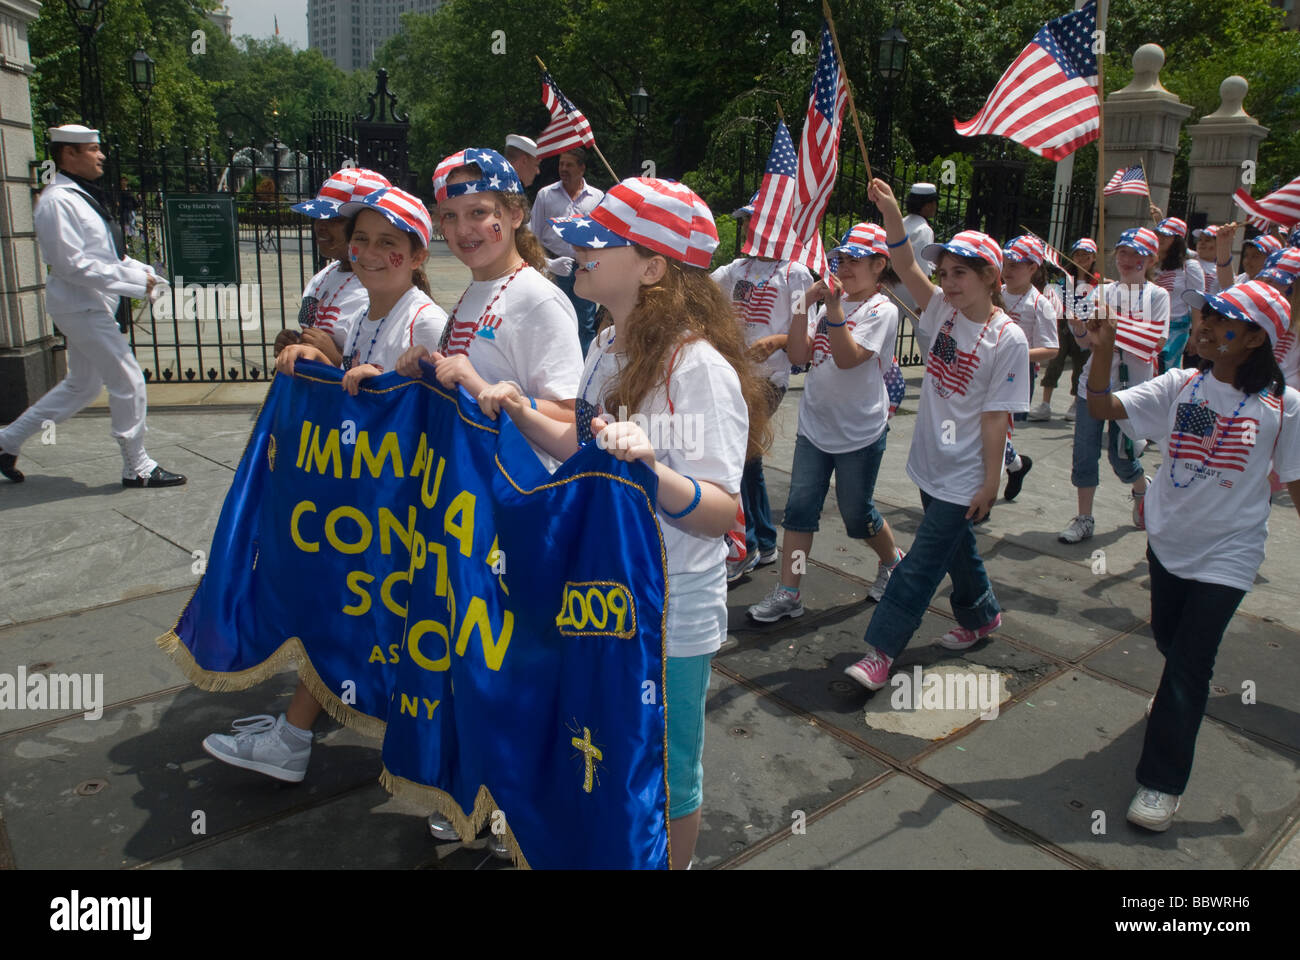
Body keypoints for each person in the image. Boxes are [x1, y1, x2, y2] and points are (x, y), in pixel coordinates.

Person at [477, 177, 763, 868]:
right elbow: (585, 451)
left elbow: (723, 511)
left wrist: (652, 468)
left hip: (671, 609)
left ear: (654, 268)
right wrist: (519, 411)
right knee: (602, 737)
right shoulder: (606, 346)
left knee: (667, 767)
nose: (577, 249)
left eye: (597, 242)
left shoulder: (699, 369)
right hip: (606, 592)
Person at [202, 185, 449, 786]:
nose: (366, 252)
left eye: (386, 243)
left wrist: (371, 379)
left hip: (396, 510)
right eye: (360, 239)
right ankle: (297, 734)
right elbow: (356, 390)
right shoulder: (369, 312)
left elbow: (421, 410)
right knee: (337, 611)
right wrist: (319, 361)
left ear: (417, 254)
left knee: (369, 623)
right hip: (361, 501)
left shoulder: (426, 320)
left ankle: (425, 760)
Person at [1083, 280, 1300, 832]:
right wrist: (1104, 352)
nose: (1203, 326)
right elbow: (1103, 405)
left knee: (1189, 664)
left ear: (1254, 338)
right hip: (1168, 541)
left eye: (1221, 320)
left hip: (1230, 552)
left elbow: (1296, 481)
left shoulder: (1285, 406)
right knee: (1168, 639)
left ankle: (1160, 784)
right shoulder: (1181, 385)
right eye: (1205, 314)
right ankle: (1176, 695)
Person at [843, 179, 1029, 692]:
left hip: (966, 470)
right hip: (929, 460)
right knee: (956, 546)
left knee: (923, 560)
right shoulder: (942, 310)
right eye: (944, 272)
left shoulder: (1007, 339)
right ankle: (982, 614)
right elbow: (904, 265)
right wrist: (893, 214)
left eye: (960, 273)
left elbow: (996, 419)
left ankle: (881, 652)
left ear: (990, 277)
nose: (947, 282)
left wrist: (990, 483)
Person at [0, 124, 182, 487]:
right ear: (69, 153)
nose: (101, 156)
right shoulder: (57, 201)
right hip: (80, 306)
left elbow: (107, 256)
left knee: (81, 386)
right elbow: (71, 265)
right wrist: (134, 283)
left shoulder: (79, 196)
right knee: (128, 379)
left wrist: (144, 272)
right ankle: (137, 467)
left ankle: (5, 442)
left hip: (89, 304)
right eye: (93, 149)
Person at [747, 222, 903, 624]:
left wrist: (832, 308)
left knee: (858, 514)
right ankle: (789, 591)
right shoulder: (828, 304)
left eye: (855, 260)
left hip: (860, 432)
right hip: (815, 427)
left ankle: (892, 561)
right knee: (799, 512)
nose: (845, 268)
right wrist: (803, 305)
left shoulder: (883, 310)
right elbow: (799, 353)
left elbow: (850, 357)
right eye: (841, 260)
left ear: (879, 264)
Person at [709, 221, 813, 581]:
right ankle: (764, 540)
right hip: (737, 376)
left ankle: (746, 544)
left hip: (769, 379)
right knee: (748, 459)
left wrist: (778, 340)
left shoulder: (795, 273)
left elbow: (809, 329)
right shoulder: (738, 268)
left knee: (740, 456)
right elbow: (703, 286)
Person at [1059, 228, 1170, 544]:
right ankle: (1084, 518)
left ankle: (1140, 488)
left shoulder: (1157, 296)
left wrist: (1113, 329)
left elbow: (1155, 342)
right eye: (1122, 252)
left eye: (1136, 254)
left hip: (1133, 389)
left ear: (1150, 259)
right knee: (1084, 452)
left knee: (1121, 458)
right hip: (1093, 384)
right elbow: (1086, 345)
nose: (1127, 260)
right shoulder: (1102, 293)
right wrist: (1079, 324)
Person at [274, 167, 391, 362]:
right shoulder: (324, 276)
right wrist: (293, 343)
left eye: (334, 219)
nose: (320, 226)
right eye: (318, 216)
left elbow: (386, 369)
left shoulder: (382, 288)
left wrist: (334, 357)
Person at [999, 235, 1058, 501]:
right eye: (1006, 263)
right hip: (986, 370)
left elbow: (1051, 349)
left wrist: (1016, 354)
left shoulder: (1040, 304)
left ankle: (985, 497)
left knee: (997, 431)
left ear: (1033, 268)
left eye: (1016, 265)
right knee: (984, 428)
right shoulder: (995, 293)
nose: (1008, 270)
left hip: (1016, 377)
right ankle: (1017, 465)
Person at [529, 148, 605, 354]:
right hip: (553, 267)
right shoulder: (545, 195)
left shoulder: (597, 197)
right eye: (561, 164)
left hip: (586, 267)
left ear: (582, 168)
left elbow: (603, 237)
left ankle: (581, 369)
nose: (563, 169)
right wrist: (544, 264)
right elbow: (532, 235)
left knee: (584, 323)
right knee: (552, 319)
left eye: (569, 165)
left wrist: (596, 266)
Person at [1032, 237, 1095, 422]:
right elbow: (1056, 299)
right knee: (1055, 362)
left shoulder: (1099, 282)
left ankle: (1076, 402)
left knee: (1081, 365)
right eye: (1078, 254)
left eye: (1086, 255)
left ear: (1093, 258)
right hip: (1065, 328)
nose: (1082, 258)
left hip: (1085, 329)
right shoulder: (1064, 279)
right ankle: (1045, 403)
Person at [1149, 213, 1205, 372]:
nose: (1160, 238)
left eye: (1166, 235)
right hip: (1150, 325)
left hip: (1175, 329)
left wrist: (1195, 335)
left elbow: (1197, 302)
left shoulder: (1190, 266)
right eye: (1158, 234)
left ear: (1177, 239)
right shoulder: (1152, 263)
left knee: (1164, 371)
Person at [895, 182, 938, 352]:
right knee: (926, 333)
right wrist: (923, 299)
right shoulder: (923, 229)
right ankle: (934, 371)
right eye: (934, 203)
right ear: (927, 205)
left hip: (891, 285)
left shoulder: (901, 223)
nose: (935, 208)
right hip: (911, 288)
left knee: (888, 331)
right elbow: (922, 265)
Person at [1214, 224, 1282, 291]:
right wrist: (1223, 244)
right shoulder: (1243, 279)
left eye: (1255, 256)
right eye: (1246, 255)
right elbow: (1227, 286)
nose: (1247, 261)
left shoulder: (1277, 287)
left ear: (1272, 260)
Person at [1191, 226, 1220, 296]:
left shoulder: (1222, 270)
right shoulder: (1188, 258)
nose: (1202, 243)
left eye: (1207, 240)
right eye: (1200, 240)